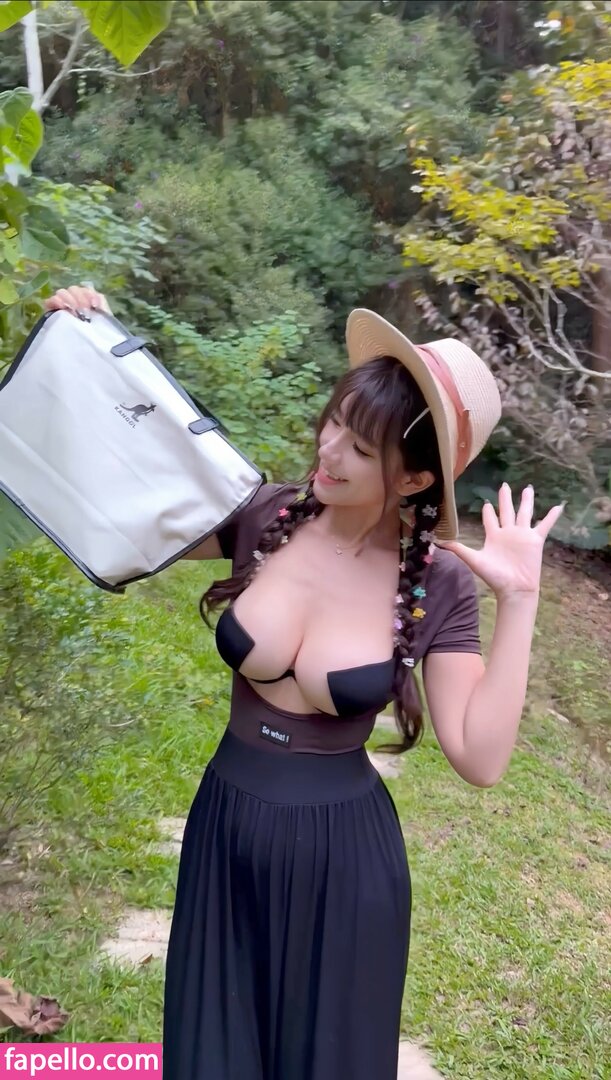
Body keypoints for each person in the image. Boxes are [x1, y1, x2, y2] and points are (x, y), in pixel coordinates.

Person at [45, 287, 564, 1080]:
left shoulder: (437, 583)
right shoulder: (265, 516)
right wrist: (91, 342)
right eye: (334, 422)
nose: (328, 450)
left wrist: (518, 600)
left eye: (359, 446)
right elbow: (121, 487)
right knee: (210, 1056)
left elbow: (479, 757)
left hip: (340, 859)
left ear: (415, 480)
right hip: (226, 827)